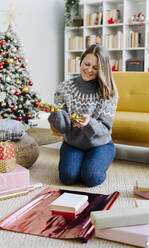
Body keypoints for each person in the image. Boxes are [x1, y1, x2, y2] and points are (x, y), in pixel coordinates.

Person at [42, 44, 118, 187]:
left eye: (95, 68)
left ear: (102, 69)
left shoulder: (109, 92)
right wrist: (55, 113)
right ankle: (83, 161)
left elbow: (105, 128)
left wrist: (89, 123)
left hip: (100, 145)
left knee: (91, 178)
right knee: (68, 178)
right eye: (86, 64)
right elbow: (63, 129)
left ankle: (97, 160)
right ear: (81, 62)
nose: (89, 70)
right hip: (73, 143)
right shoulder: (64, 88)